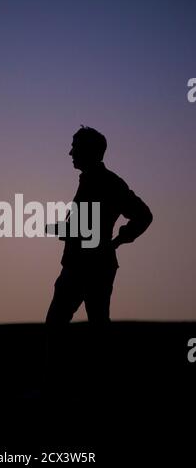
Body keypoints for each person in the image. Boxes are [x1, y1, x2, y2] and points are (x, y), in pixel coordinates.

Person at [44, 126, 153, 389]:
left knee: (68, 327)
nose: (70, 152)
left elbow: (143, 215)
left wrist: (119, 239)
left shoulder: (108, 182)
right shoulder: (96, 181)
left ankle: (74, 384)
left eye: (75, 147)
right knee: (93, 328)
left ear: (89, 151)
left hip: (87, 267)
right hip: (84, 265)